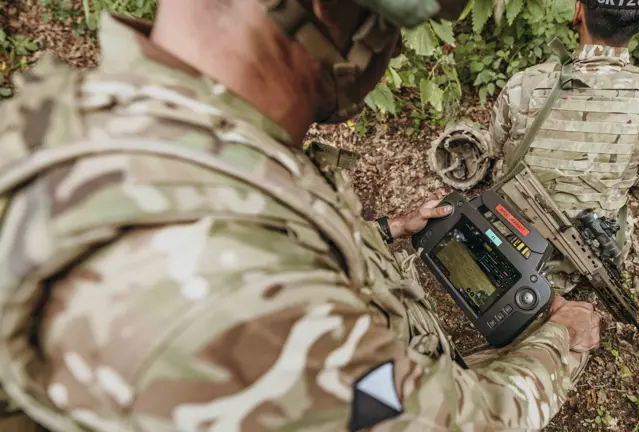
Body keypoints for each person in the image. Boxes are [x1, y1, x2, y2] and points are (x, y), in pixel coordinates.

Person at [0, 0, 601, 430]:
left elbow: (242, 219)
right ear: (332, 15)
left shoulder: (102, 127)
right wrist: (562, 338)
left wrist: (383, 233)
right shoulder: (224, 296)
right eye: (390, 29)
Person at [490, 0, 639, 285]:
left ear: (578, 10)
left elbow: (494, 151)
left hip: (514, 241)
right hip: (594, 253)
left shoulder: (523, 86)